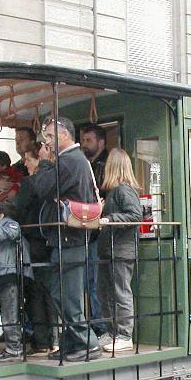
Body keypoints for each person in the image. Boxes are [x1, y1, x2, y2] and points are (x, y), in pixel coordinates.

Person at [32, 116, 101, 362]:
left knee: (68, 294)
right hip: (67, 237)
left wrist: (43, 163)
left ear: (63, 135)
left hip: (70, 238)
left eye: (49, 137)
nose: (46, 142)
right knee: (61, 292)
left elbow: (42, 188)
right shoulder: (73, 160)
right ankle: (73, 342)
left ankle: (88, 343)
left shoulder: (70, 161)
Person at [13, 144, 57, 356]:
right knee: (51, 290)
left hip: (35, 241)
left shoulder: (29, 183)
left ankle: (41, 340)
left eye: (28, 159)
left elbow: (18, 209)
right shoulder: (57, 180)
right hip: (53, 238)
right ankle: (56, 338)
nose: (25, 163)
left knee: (36, 291)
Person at [97, 149, 142, 353]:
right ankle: (112, 331)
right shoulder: (116, 191)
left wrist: (110, 219)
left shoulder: (124, 190)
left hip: (121, 250)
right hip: (111, 249)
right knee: (105, 292)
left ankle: (124, 334)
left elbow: (135, 215)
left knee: (119, 292)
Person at [0, 202, 32, 362]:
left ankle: (14, 348)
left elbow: (12, 231)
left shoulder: (9, 224)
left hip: (8, 273)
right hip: (1, 274)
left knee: (10, 313)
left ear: (1, 215)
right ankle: (13, 346)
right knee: (8, 312)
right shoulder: (2, 225)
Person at [80, 123, 109, 337]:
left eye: (88, 140)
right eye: (83, 140)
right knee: (88, 281)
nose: (84, 144)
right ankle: (94, 322)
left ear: (101, 142)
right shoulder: (85, 164)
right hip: (86, 231)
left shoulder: (106, 165)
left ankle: (100, 325)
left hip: (98, 233)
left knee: (96, 281)